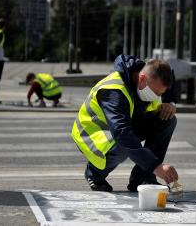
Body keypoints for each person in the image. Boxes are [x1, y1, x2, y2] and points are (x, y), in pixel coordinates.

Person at [71, 54, 179, 192]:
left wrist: (170, 102)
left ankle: (143, 178)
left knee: (168, 120)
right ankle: (94, 173)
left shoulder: (149, 75)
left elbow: (169, 74)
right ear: (142, 79)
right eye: (156, 93)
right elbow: (122, 133)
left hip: (124, 125)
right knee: (124, 144)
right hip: (94, 134)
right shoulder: (114, 91)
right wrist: (156, 166)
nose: (157, 97)